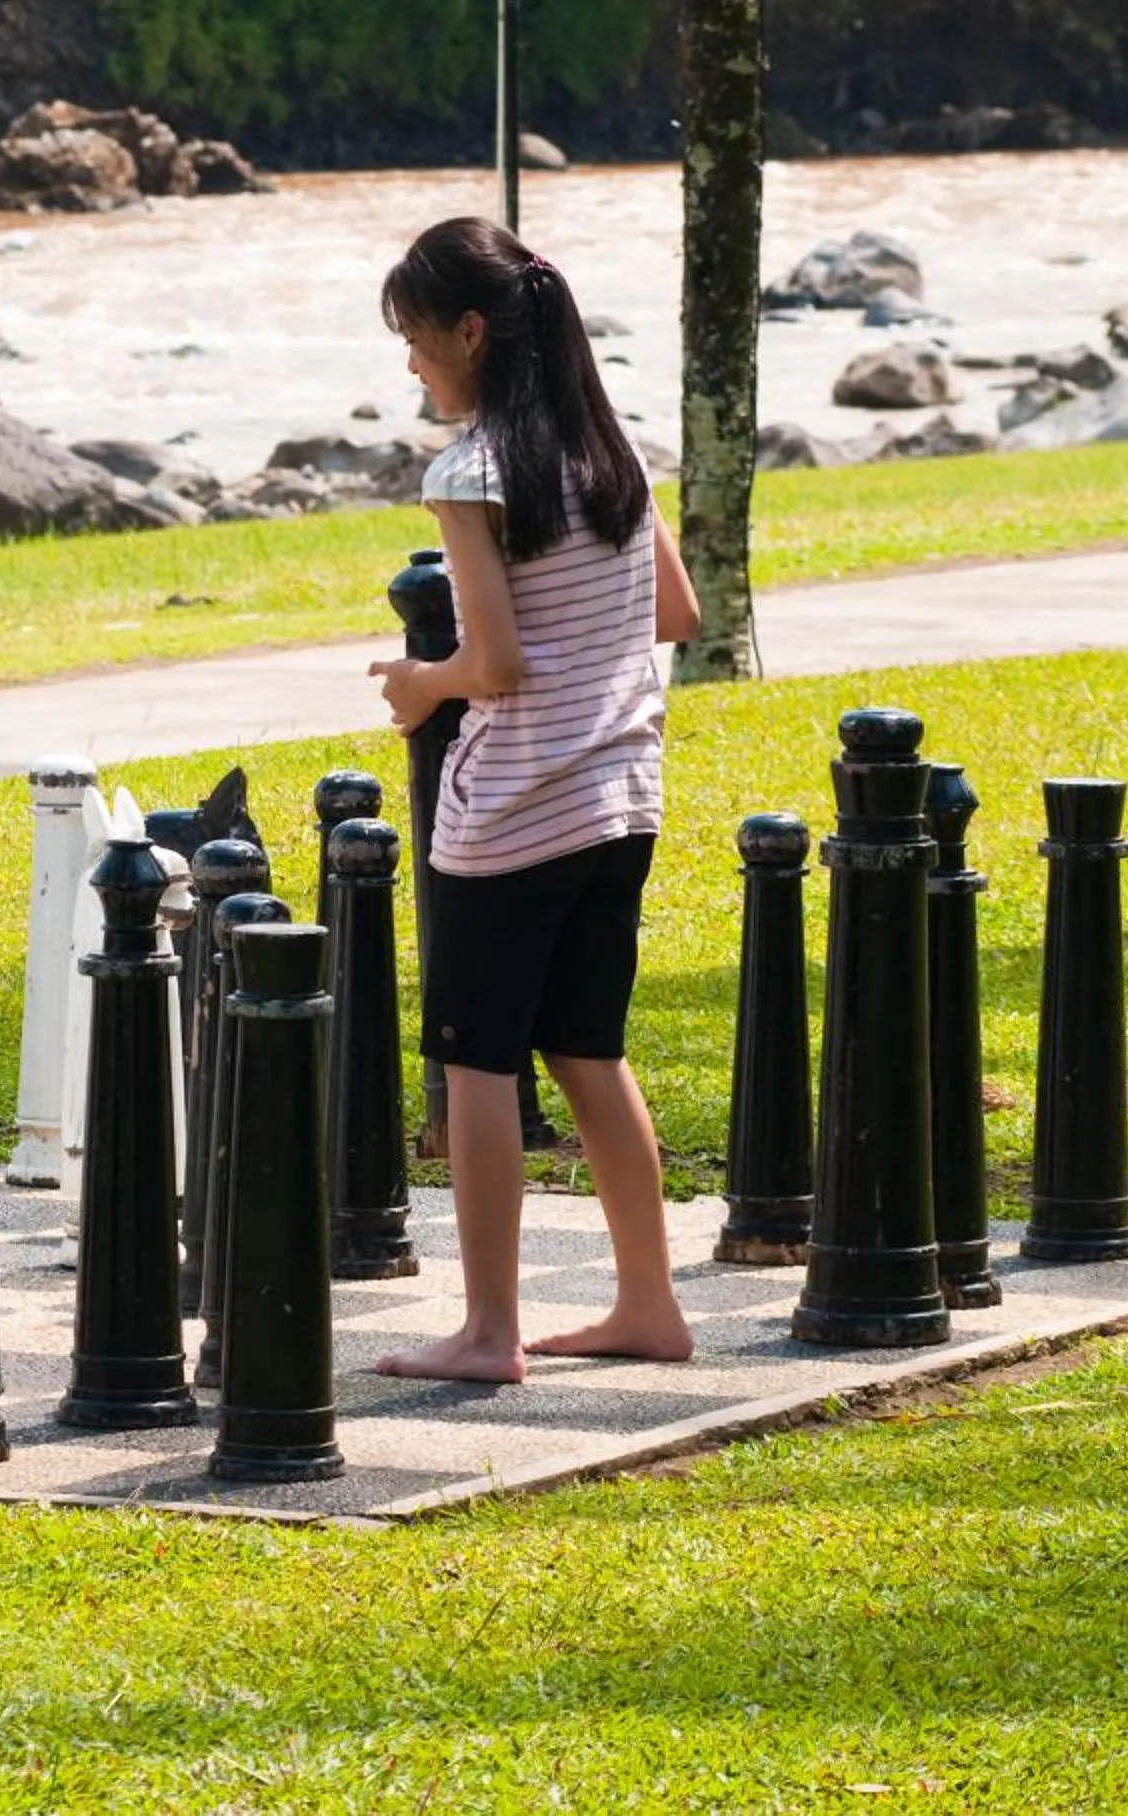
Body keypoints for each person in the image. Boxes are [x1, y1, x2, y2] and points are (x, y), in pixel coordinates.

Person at [368, 214, 700, 1383]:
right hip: (619, 802)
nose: (410, 366)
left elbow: (493, 664)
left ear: (471, 331)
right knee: (588, 1054)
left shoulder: (470, 472)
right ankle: (648, 1304)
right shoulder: (613, 455)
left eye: (415, 340)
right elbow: (676, 617)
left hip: (508, 815)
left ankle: (488, 1330)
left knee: (477, 1068)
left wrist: (420, 684)